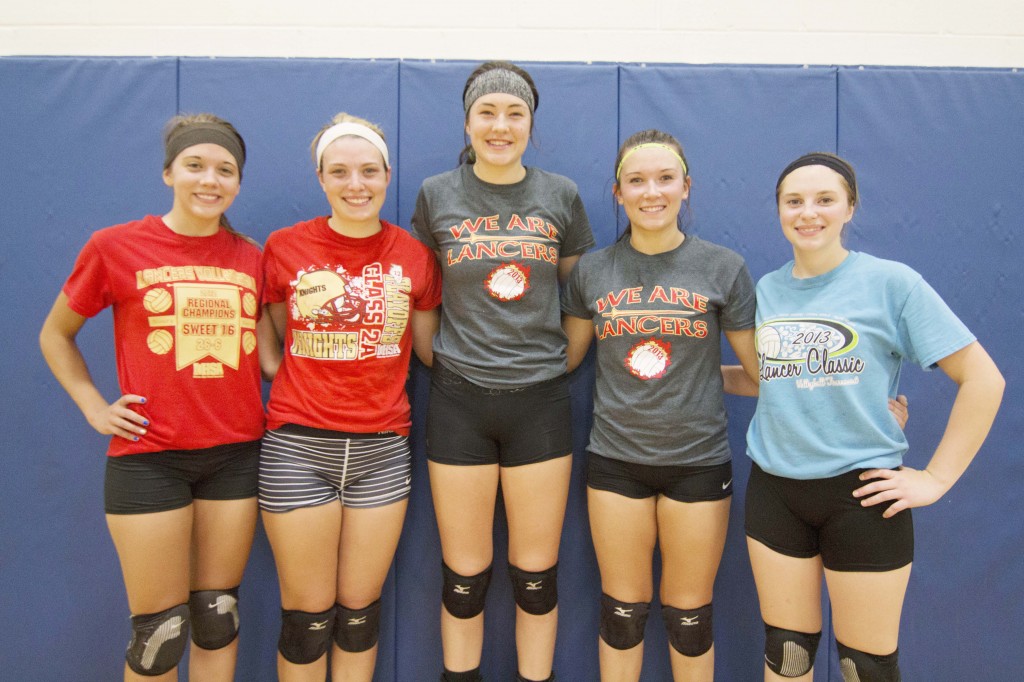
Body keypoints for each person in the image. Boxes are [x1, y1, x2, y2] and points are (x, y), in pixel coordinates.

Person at [741, 152, 1004, 682]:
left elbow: (984, 379)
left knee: (866, 667)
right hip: (775, 493)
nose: (807, 212)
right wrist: (685, 373)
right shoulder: (765, 290)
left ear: (850, 208)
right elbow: (772, 377)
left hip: (861, 498)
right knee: (787, 654)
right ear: (778, 211)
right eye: (794, 201)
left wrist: (936, 478)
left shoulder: (891, 283)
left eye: (824, 199)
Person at [38, 114, 268, 681]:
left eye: (225, 170)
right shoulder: (115, 246)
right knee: (159, 633)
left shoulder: (252, 257)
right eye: (195, 165)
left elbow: (270, 355)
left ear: (238, 183)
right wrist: (94, 406)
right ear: (169, 172)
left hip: (236, 456)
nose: (209, 180)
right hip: (149, 460)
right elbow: (55, 335)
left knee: (218, 617)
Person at [411, 61, 595, 682]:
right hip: (458, 402)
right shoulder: (438, 194)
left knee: (535, 578)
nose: (500, 124)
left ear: (531, 124)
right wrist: (460, 368)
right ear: (467, 121)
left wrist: (549, 368)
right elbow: (421, 296)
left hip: (540, 404)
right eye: (487, 112)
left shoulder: (560, 195)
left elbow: (582, 298)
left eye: (515, 113)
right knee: (464, 579)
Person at [560, 129, 759, 681]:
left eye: (665, 178)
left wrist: (856, 400)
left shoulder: (723, 268)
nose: (653, 191)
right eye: (637, 181)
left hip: (697, 464)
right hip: (616, 462)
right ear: (618, 193)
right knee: (622, 614)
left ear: (686, 187)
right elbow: (564, 361)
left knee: (689, 616)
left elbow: (767, 374)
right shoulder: (593, 272)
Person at [258, 112, 441, 682]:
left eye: (368, 171)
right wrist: (291, 381)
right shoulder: (284, 247)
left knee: (360, 616)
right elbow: (278, 341)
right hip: (297, 448)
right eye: (339, 172)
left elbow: (429, 351)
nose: (355, 184)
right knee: (308, 619)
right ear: (321, 179)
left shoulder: (414, 255)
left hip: (382, 452)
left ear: (388, 175)